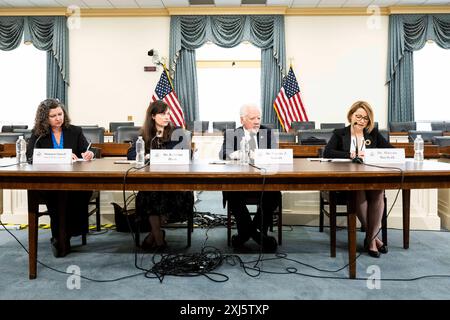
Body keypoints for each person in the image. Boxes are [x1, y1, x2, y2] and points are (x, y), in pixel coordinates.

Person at [323, 100, 392, 258]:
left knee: (378, 192)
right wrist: (350, 154)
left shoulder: (373, 133)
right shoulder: (340, 133)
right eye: (358, 116)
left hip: (371, 176)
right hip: (348, 180)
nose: (361, 120)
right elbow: (328, 152)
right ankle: (373, 238)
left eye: (365, 118)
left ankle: (370, 238)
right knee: (359, 189)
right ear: (351, 115)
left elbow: (390, 151)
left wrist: (374, 154)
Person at [26, 98, 94, 257]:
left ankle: (62, 236)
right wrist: (59, 157)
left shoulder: (75, 131)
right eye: (53, 116)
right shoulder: (38, 134)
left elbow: (87, 150)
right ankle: (62, 237)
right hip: (49, 183)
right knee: (58, 195)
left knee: (76, 194)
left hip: (74, 181)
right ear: (45, 118)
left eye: (60, 114)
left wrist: (89, 153)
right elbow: (30, 156)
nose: (58, 118)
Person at [127, 100, 194, 250]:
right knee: (150, 195)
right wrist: (144, 155)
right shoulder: (144, 134)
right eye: (162, 114)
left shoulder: (178, 133)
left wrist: (162, 156)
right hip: (152, 183)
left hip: (175, 184)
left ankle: (154, 236)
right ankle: (159, 240)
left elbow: (187, 153)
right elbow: (131, 154)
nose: (167, 117)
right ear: (152, 116)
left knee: (164, 197)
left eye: (168, 114)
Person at [219, 104, 279, 252]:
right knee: (232, 194)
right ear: (242, 120)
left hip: (263, 180)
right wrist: (237, 154)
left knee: (274, 195)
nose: (257, 121)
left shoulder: (267, 132)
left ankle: (245, 235)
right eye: (253, 118)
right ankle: (258, 236)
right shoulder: (232, 133)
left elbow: (275, 154)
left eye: (259, 117)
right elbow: (223, 154)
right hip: (239, 181)